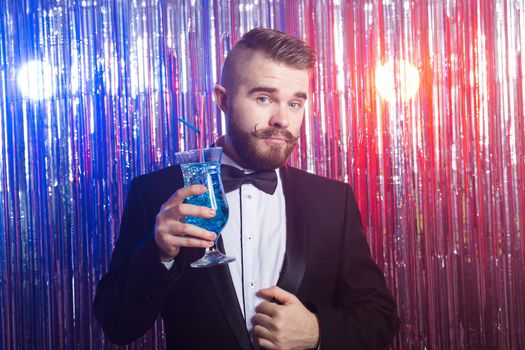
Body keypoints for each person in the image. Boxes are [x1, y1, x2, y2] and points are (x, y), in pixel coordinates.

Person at [93, 28, 400, 349]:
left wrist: (319, 331)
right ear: (223, 100)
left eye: (295, 103)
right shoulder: (157, 193)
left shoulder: (334, 201)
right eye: (264, 98)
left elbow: (380, 317)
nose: (282, 119)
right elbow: (117, 325)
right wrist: (159, 252)